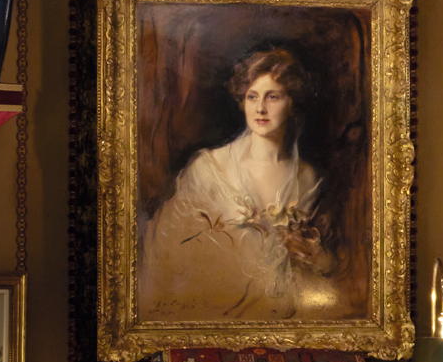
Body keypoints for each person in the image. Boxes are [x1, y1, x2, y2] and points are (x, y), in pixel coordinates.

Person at [136, 46, 347, 322]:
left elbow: (331, 265)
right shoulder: (209, 170)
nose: (260, 108)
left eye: (273, 97)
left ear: (292, 102)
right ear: (242, 101)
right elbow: (169, 255)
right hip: (218, 313)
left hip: (287, 317)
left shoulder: (309, 178)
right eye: (252, 96)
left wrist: (308, 252)